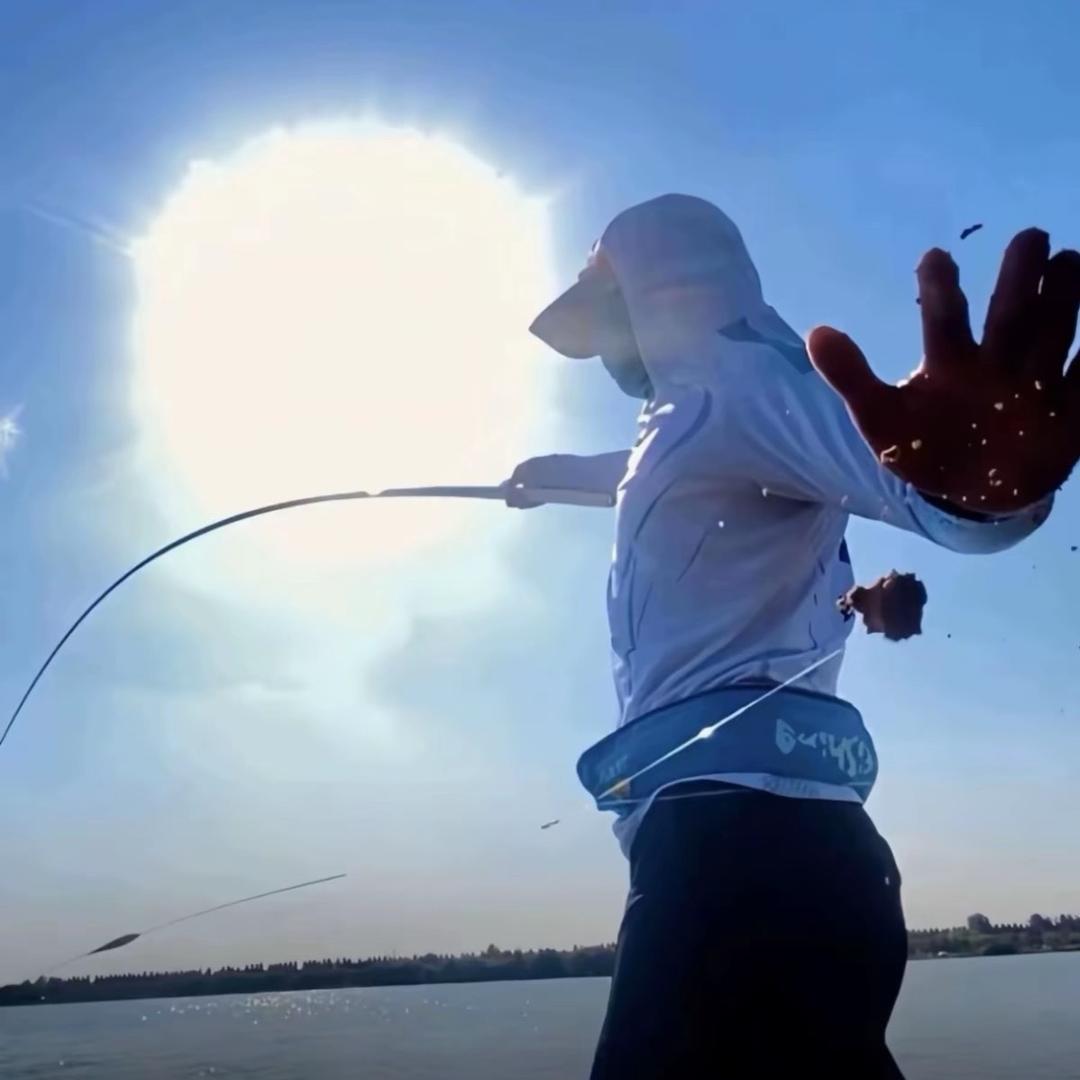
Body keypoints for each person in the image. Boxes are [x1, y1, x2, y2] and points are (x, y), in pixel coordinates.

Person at [510, 195, 1080, 1078]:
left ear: (659, 290)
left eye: (603, 321)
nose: (604, 356)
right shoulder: (691, 407)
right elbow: (649, 473)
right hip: (792, 850)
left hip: (734, 855)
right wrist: (542, 477)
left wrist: (985, 487)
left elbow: (906, 482)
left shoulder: (747, 381)